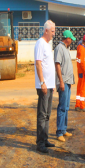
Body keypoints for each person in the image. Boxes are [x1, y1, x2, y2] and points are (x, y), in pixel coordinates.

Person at [34, 20, 56, 153]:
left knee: (47, 114)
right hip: (43, 86)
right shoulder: (40, 43)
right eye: (52, 31)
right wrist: (42, 82)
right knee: (42, 114)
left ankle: (45, 139)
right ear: (46, 30)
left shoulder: (47, 44)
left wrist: (52, 84)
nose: (54, 33)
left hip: (49, 85)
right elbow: (38, 63)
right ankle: (40, 143)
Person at [55, 30, 76, 142]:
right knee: (62, 107)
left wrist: (69, 82)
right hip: (63, 82)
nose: (72, 40)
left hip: (68, 81)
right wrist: (61, 81)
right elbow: (57, 65)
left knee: (66, 107)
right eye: (71, 38)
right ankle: (59, 132)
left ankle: (63, 129)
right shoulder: (59, 48)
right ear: (66, 38)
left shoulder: (66, 49)